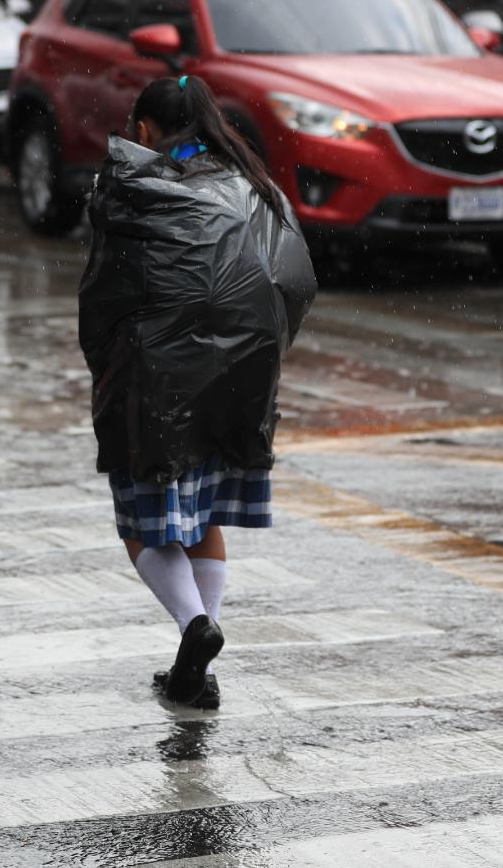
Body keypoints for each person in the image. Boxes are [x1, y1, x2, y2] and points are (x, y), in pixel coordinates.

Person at [79, 74, 314, 712]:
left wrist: (108, 367)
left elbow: (103, 296)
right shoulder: (254, 184)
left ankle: (194, 628)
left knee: (142, 523)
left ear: (147, 131)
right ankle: (196, 674)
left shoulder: (136, 188)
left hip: (159, 384)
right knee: (205, 518)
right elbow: (294, 280)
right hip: (240, 379)